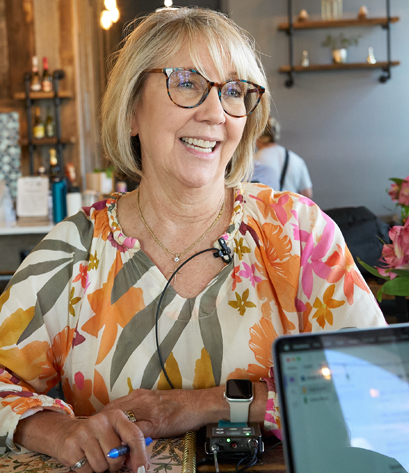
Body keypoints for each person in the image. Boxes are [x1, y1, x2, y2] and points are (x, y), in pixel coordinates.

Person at [0, 7, 384, 473]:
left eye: (234, 91)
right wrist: (60, 431)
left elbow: (374, 385)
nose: (215, 113)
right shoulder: (74, 250)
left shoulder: (298, 233)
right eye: (186, 82)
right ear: (132, 109)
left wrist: (205, 404)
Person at [252, 118, 313, 198]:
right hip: (291, 209)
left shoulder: (253, 162)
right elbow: (307, 194)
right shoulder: (296, 159)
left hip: (265, 209)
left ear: (257, 135)